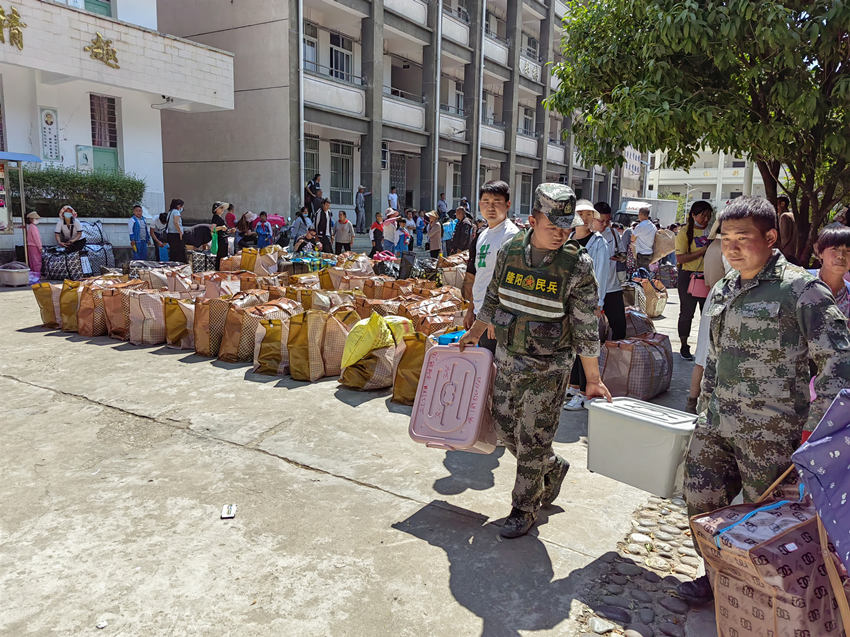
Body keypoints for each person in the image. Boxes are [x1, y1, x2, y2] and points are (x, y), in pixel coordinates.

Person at [680, 196, 850, 604]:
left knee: (767, 520)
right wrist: (704, 407)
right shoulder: (723, 287)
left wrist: (816, 433)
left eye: (743, 238)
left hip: (774, 434)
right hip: (717, 423)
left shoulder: (801, 289)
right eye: (725, 238)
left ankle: (765, 593)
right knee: (701, 501)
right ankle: (715, 576)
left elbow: (837, 362)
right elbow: (716, 355)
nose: (732, 247)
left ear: (770, 237)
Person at [458, 183, 612, 538]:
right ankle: (552, 467)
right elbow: (494, 297)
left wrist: (592, 377)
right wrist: (476, 332)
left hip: (549, 365)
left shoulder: (577, 265)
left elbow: (586, 327)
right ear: (532, 221)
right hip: (509, 356)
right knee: (505, 428)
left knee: (532, 438)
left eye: (566, 228)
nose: (560, 234)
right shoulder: (511, 249)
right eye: (551, 226)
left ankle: (523, 508)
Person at [461, 180, 520, 354]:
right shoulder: (483, 235)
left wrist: (497, 317)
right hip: (481, 314)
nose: (491, 207)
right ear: (479, 205)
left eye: (497, 202)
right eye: (486, 202)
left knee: (498, 373)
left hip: (498, 319)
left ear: (508, 204)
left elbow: (510, 281)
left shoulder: (511, 236)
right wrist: (471, 309)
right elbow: (480, 276)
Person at [564, 200, 611, 411]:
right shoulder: (568, 238)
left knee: (587, 347)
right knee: (571, 347)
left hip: (587, 303)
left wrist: (597, 303)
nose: (583, 217)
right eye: (579, 213)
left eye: (587, 213)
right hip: (567, 302)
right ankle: (573, 387)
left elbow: (600, 272)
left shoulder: (598, 242)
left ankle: (585, 392)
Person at [685, 219, 728, 413]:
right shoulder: (727, 249)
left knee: (702, 355)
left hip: (714, 298)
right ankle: (700, 404)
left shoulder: (712, 246)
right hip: (725, 301)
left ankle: (692, 401)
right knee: (714, 356)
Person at [675, 201, 713, 361]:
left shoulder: (711, 231)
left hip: (708, 277)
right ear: (693, 215)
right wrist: (702, 251)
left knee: (708, 315)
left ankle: (707, 347)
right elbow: (680, 257)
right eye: (702, 215)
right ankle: (684, 345)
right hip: (688, 277)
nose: (705, 219)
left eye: (708, 215)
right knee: (686, 314)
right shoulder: (684, 232)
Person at [595, 202, 627, 341]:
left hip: (612, 288)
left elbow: (623, 253)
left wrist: (620, 257)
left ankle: (616, 354)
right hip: (590, 290)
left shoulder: (613, 233)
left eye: (607, 221)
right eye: (601, 221)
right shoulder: (582, 235)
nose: (605, 224)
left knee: (619, 326)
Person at [777, 193, 797, 264]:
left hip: (786, 254)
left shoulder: (784, 216)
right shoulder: (792, 215)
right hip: (793, 252)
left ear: (782, 204)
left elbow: (785, 237)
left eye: (777, 204)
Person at [165, 199, 186, 263]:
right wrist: (180, 232)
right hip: (176, 234)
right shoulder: (176, 212)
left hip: (170, 234)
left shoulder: (170, 212)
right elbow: (176, 222)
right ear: (179, 206)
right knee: (179, 252)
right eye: (182, 206)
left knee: (173, 252)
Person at [210, 201, 230, 270]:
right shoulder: (215, 217)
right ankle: (218, 272)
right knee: (221, 257)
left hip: (223, 239)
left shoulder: (219, 217)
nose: (223, 209)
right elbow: (212, 229)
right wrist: (221, 227)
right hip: (220, 240)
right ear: (216, 209)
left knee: (223, 257)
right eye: (221, 208)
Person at [26, 211, 42, 279]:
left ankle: (33, 275)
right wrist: (40, 247)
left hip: (30, 246)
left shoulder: (30, 227)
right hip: (35, 246)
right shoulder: (34, 227)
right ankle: (37, 275)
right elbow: (37, 238)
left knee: (32, 261)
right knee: (37, 261)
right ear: (32, 219)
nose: (37, 220)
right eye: (36, 219)